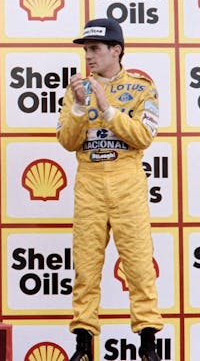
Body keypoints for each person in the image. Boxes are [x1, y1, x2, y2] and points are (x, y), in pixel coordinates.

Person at [57, 18, 163, 361]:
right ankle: (83, 346)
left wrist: (107, 108)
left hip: (126, 178)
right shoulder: (76, 90)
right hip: (88, 179)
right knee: (86, 268)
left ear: (116, 50)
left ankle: (148, 345)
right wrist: (76, 105)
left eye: (95, 49)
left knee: (138, 266)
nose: (89, 56)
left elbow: (143, 136)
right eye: (86, 50)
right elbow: (67, 141)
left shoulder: (142, 87)